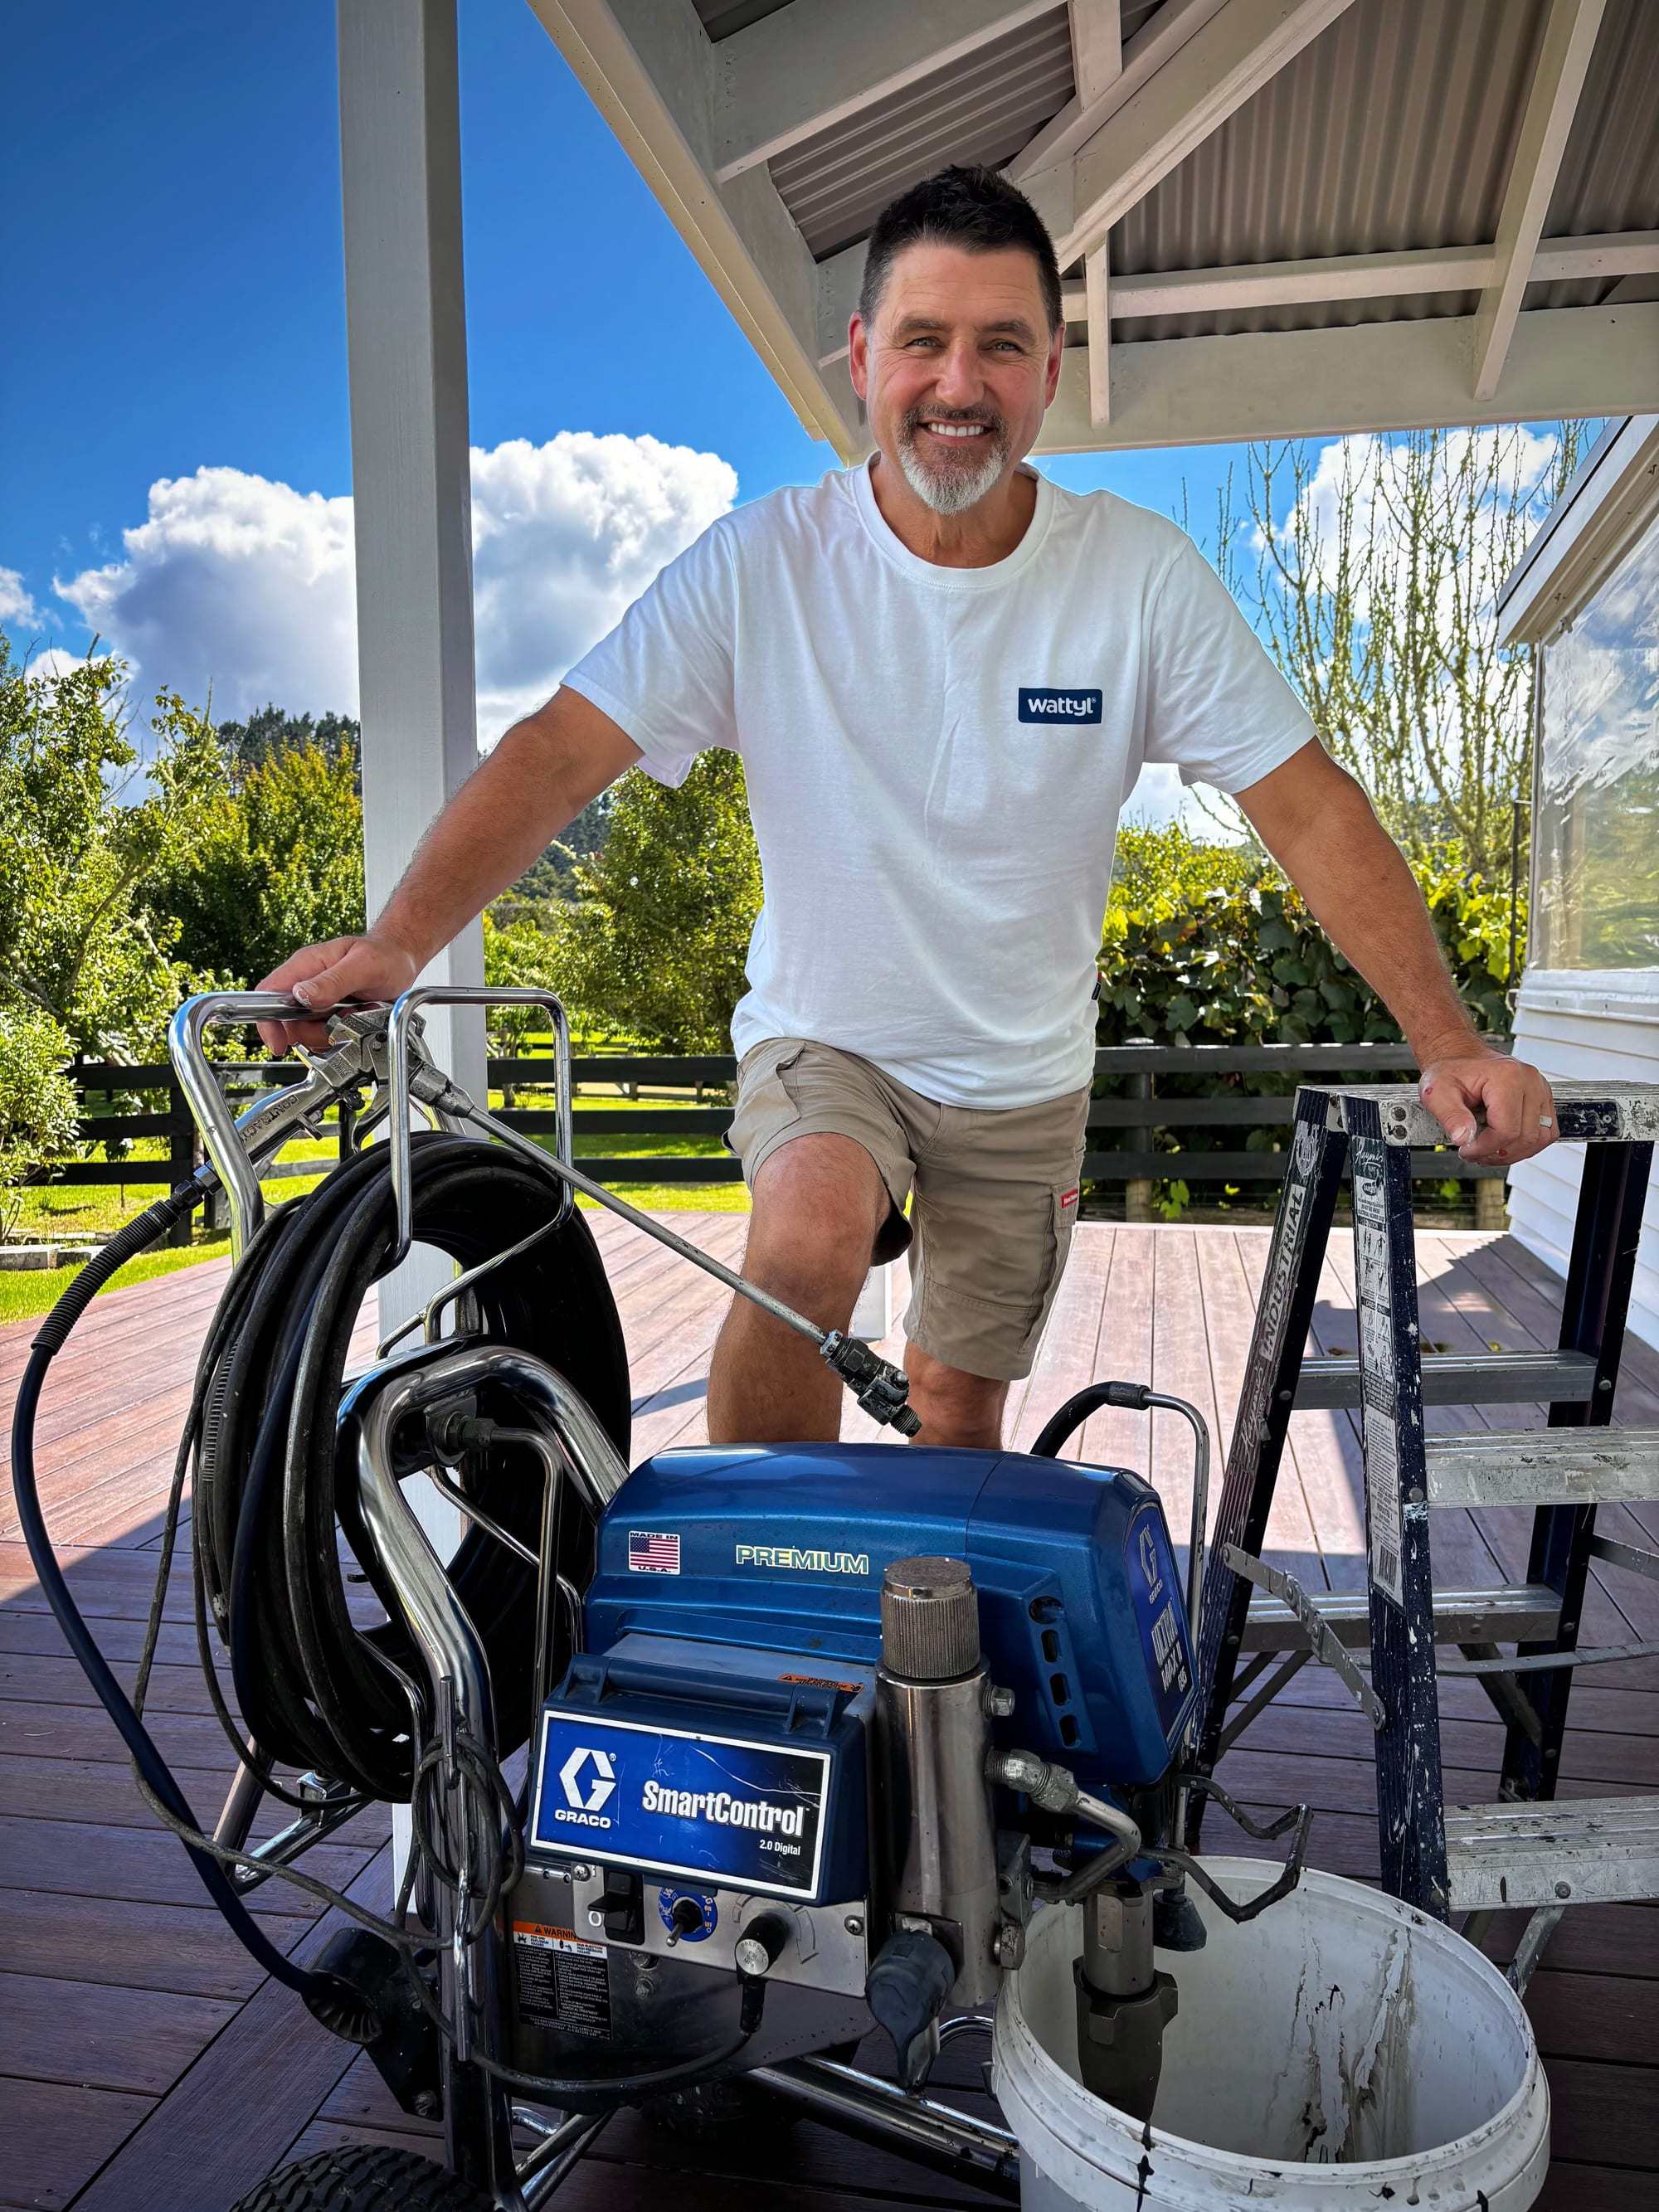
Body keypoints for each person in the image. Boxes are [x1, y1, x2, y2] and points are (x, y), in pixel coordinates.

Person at [259, 165, 1556, 1451]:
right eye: (924, 342)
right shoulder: (763, 565)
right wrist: (400, 943)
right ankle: (773, 1605)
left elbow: (1311, 808)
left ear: (1050, 371)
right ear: (864, 355)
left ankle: (919, 1651)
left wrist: (1448, 1042)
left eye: (1001, 345)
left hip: (1023, 1078)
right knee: (811, 1236)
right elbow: (555, 754)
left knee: (954, 1404)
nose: (957, 384)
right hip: (830, 1043)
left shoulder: (1138, 580)